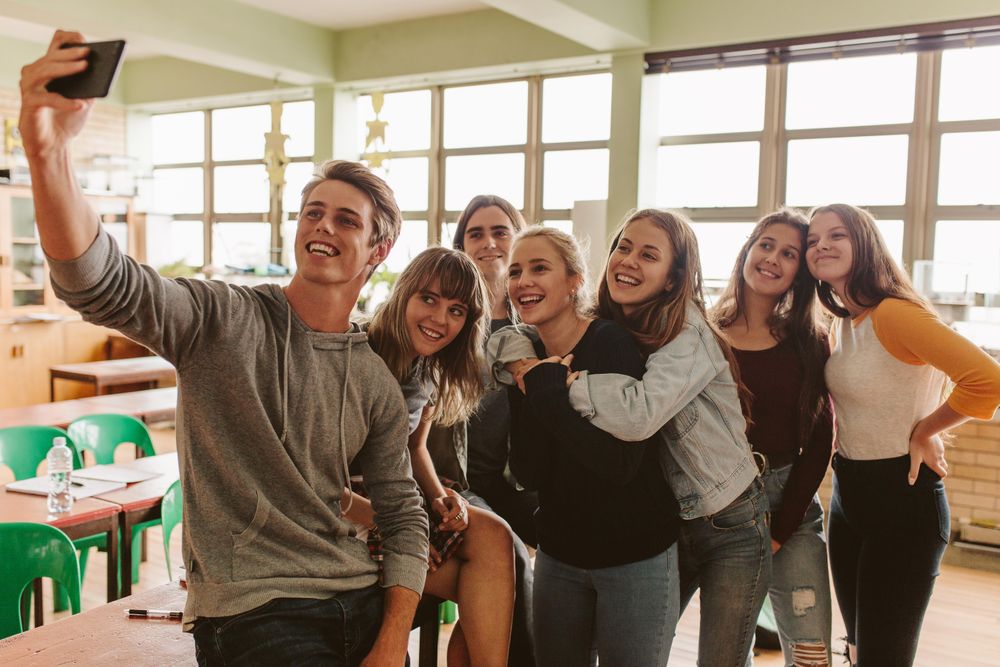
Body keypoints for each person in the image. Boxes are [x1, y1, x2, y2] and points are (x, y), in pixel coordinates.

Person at [20, 31, 428, 666]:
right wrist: (47, 155)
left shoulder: (372, 377)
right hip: (255, 612)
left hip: (360, 598)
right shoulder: (221, 318)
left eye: (346, 220)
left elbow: (403, 515)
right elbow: (98, 282)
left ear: (377, 253)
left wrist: (392, 641)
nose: (322, 226)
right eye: (312, 213)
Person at [491, 210, 771, 666]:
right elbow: (506, 346)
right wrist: (523, 363)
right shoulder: (616, 325)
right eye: (624, 247)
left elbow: (638, 417)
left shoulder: (685, 334)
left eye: (649, 254)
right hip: (670, 518)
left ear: (672, 277)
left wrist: (552, 385)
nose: (629, 260)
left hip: (727, 518)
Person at [806, 204, 1000, 666]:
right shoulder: (844, 322)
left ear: (865, 243)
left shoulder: (894, 315)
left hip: (903, 501)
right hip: (849, 497)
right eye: (813, 240)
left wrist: (926, 430)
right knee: (857, 649)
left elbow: (987, 380)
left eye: (837, 235)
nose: (822, 246)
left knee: (882, 658)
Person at [500, 226, 681, 666]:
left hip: (635, 558)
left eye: (540, 268)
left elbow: (620, 465)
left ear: (574, 281)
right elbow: (529, 472)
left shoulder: (609, 343)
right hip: (559, 559)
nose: (524, 281)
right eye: (516, 271)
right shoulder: (524, 356)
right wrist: (538, 388)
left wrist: (548, 398)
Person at [344, 247, 516, 667]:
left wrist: (440, 497)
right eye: (429, 299)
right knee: (483, 588)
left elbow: (414, 446)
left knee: (496, 538)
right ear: (404, 293)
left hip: (393, 497)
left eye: (457, 310)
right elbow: (314, 475)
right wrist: (398, 526)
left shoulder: (429, 367)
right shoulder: (356, 352)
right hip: (339, 505)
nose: (441, 319)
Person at [711, 208, 834, 665]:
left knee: (811, 653)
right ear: (748, 249)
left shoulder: (809, 340)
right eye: (766, 245)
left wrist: (781, 528)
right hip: (718, 508)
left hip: (792, 508)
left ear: (800, 273)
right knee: (725, 653)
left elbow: (822, 441)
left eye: (790, 254)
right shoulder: (706, 334)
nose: (773, 259)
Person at [450, 194, 538, 667]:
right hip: (463, 483)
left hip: (520, 482)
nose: (489, 243)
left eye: (500, 231)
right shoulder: (448, 317)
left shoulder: (539, 320)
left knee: (581, 536)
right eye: (475, 233)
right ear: (461, 245)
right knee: (512, 561)